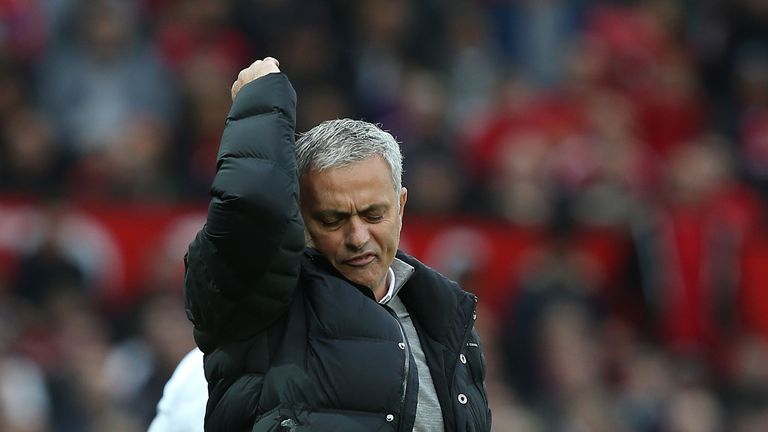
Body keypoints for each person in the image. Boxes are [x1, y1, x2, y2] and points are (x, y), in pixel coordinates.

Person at [181, 57, 491, 431]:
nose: (358, 237)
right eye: (333, 220)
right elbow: (251, 210)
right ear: (299, 219)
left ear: (401, 206)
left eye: (373, 215)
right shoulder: (263, 303)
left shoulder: (447, 319)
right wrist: (261, 105)